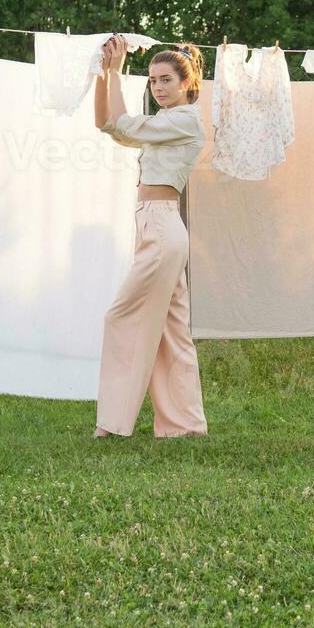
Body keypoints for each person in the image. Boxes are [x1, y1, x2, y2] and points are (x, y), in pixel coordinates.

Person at [91, 34, 208, 438]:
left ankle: (112, 423)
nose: (157, 88)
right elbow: (108, 124)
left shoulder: (185, 119)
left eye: (165, 80)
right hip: (154, 227)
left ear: (186, 83)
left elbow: (125, 124)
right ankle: (185, 425)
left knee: (120, 317)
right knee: (173, 332)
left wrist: (118, 69)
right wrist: (104, 73)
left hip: (162, 229)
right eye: (153, 81)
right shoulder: (164, 123)